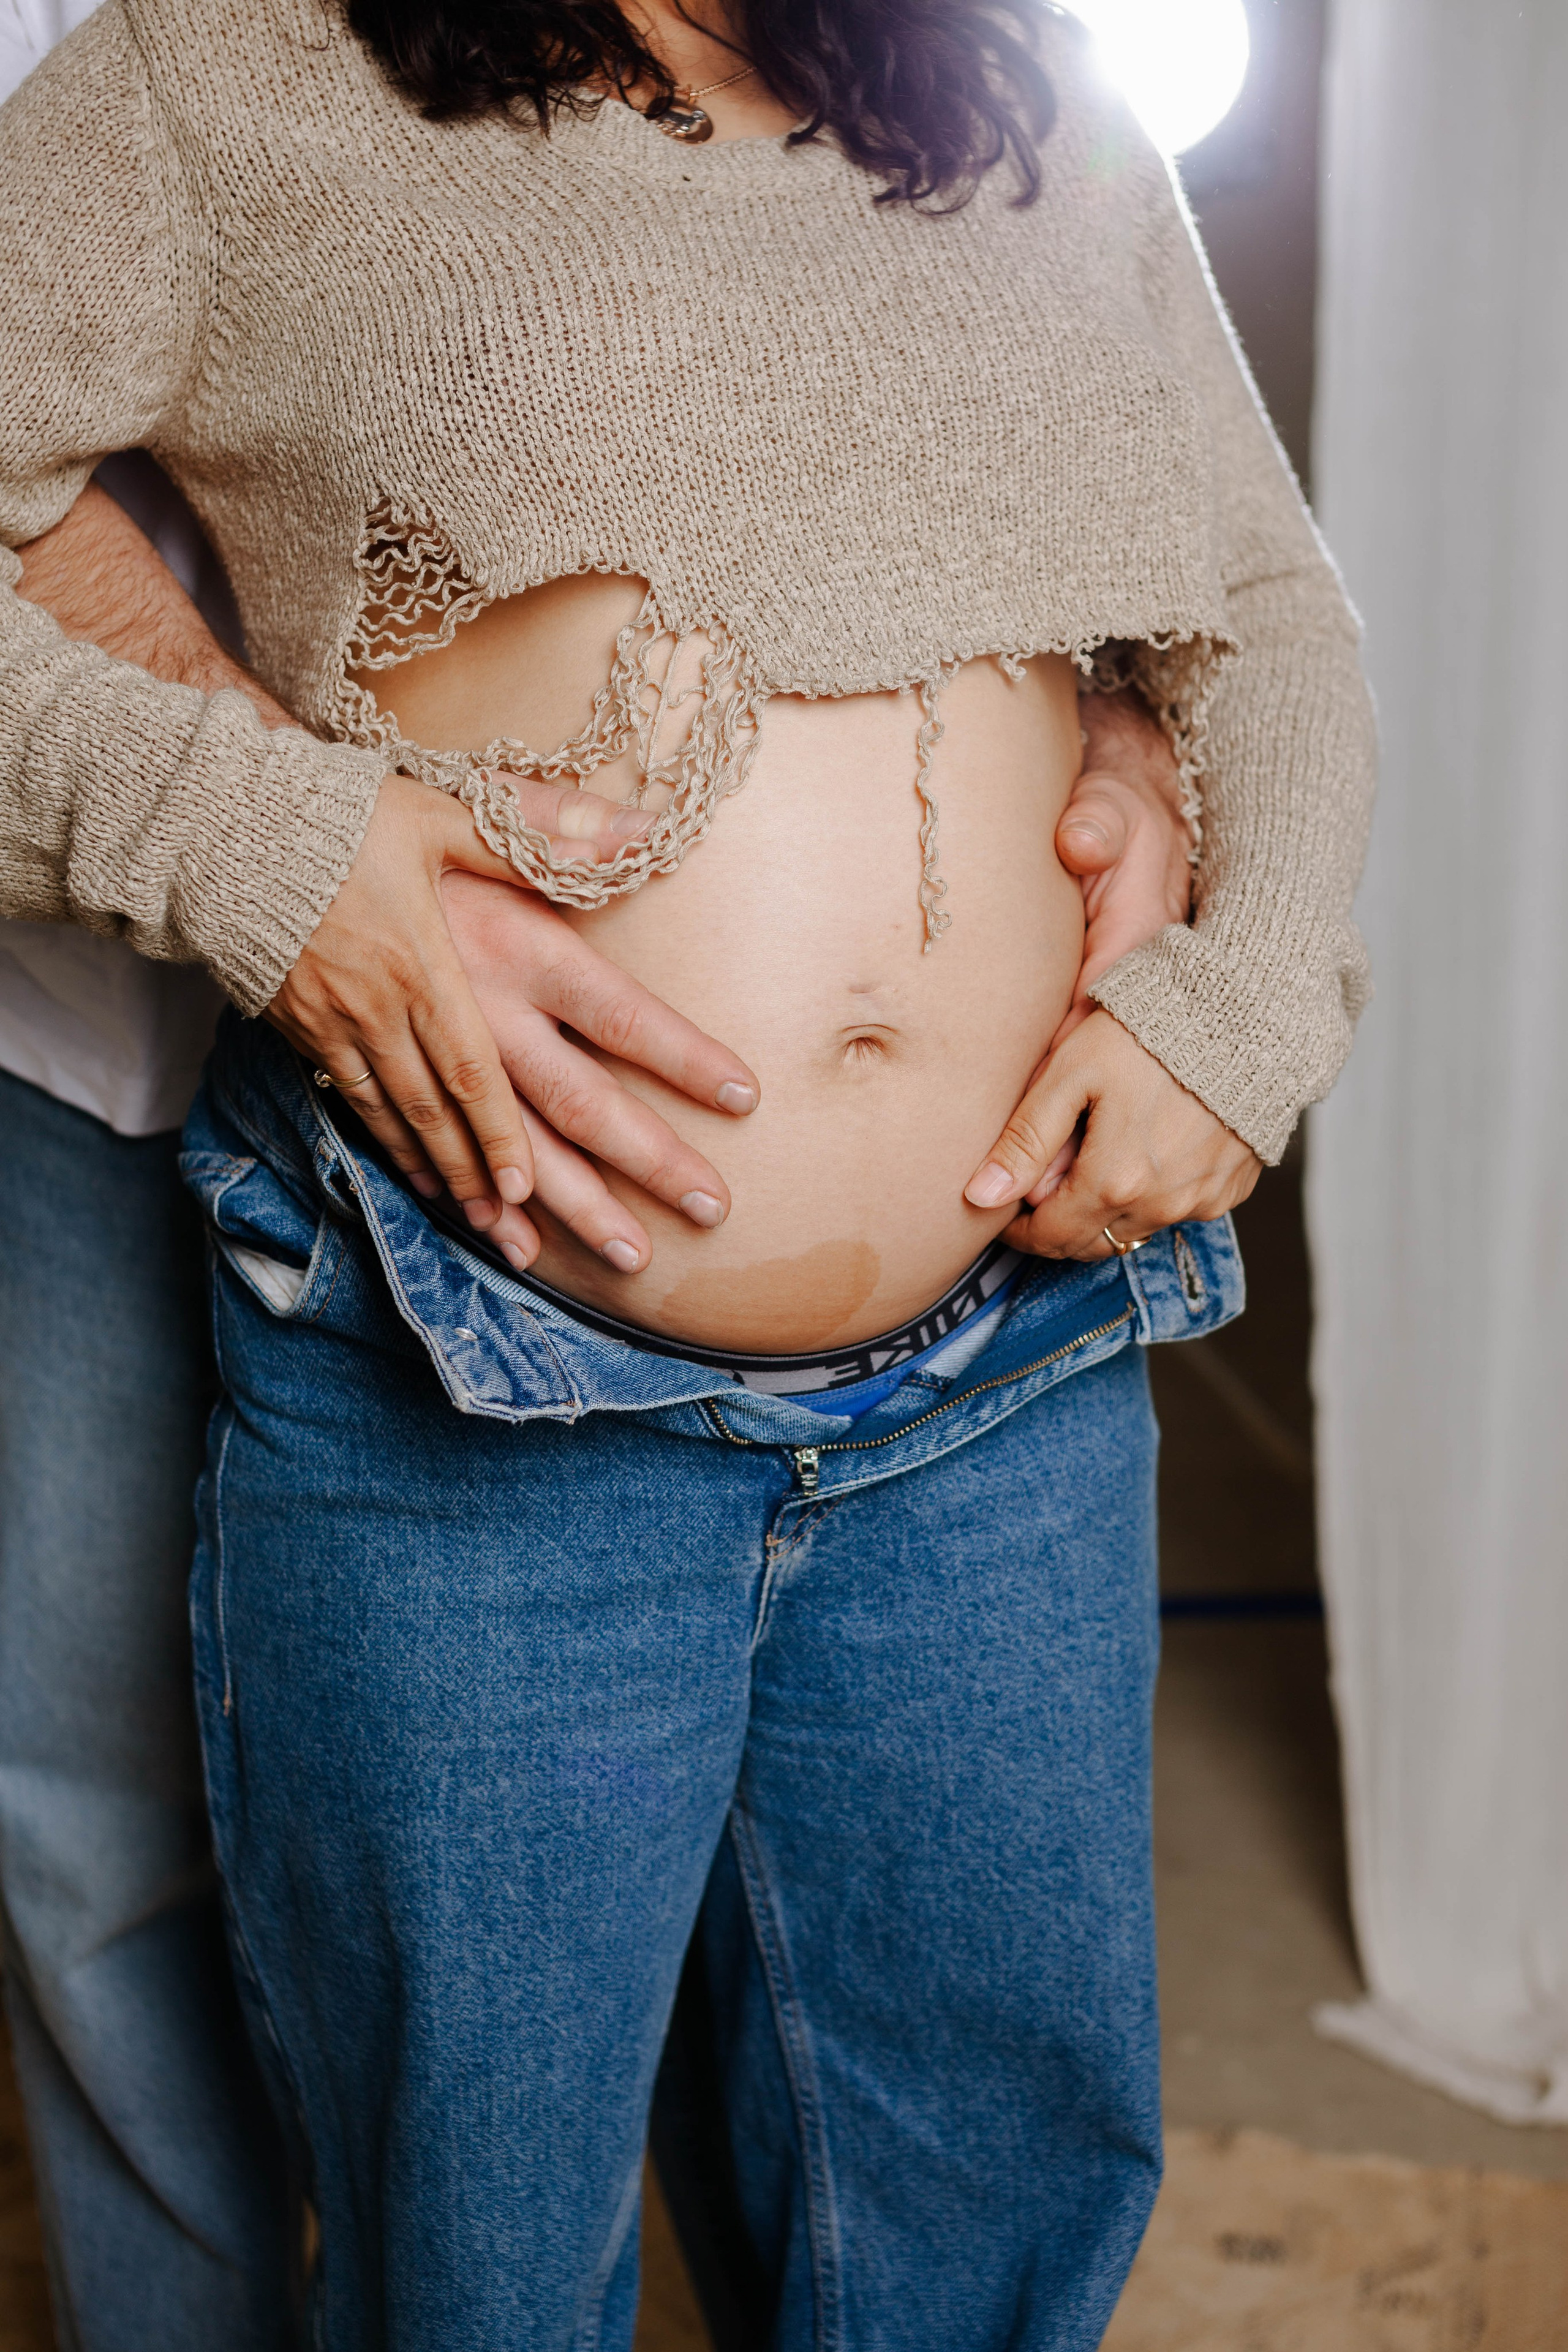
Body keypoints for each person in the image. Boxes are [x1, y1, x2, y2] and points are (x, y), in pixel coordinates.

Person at [0, 0, 1375, 2343]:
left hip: (1022, 1360)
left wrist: (1243, 1011)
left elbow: (1262, 608)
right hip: (475, 1347)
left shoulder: (1017, 80)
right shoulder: (222, 71)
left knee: (987, 2194)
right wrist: (261, 844)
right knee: (478, 2250)